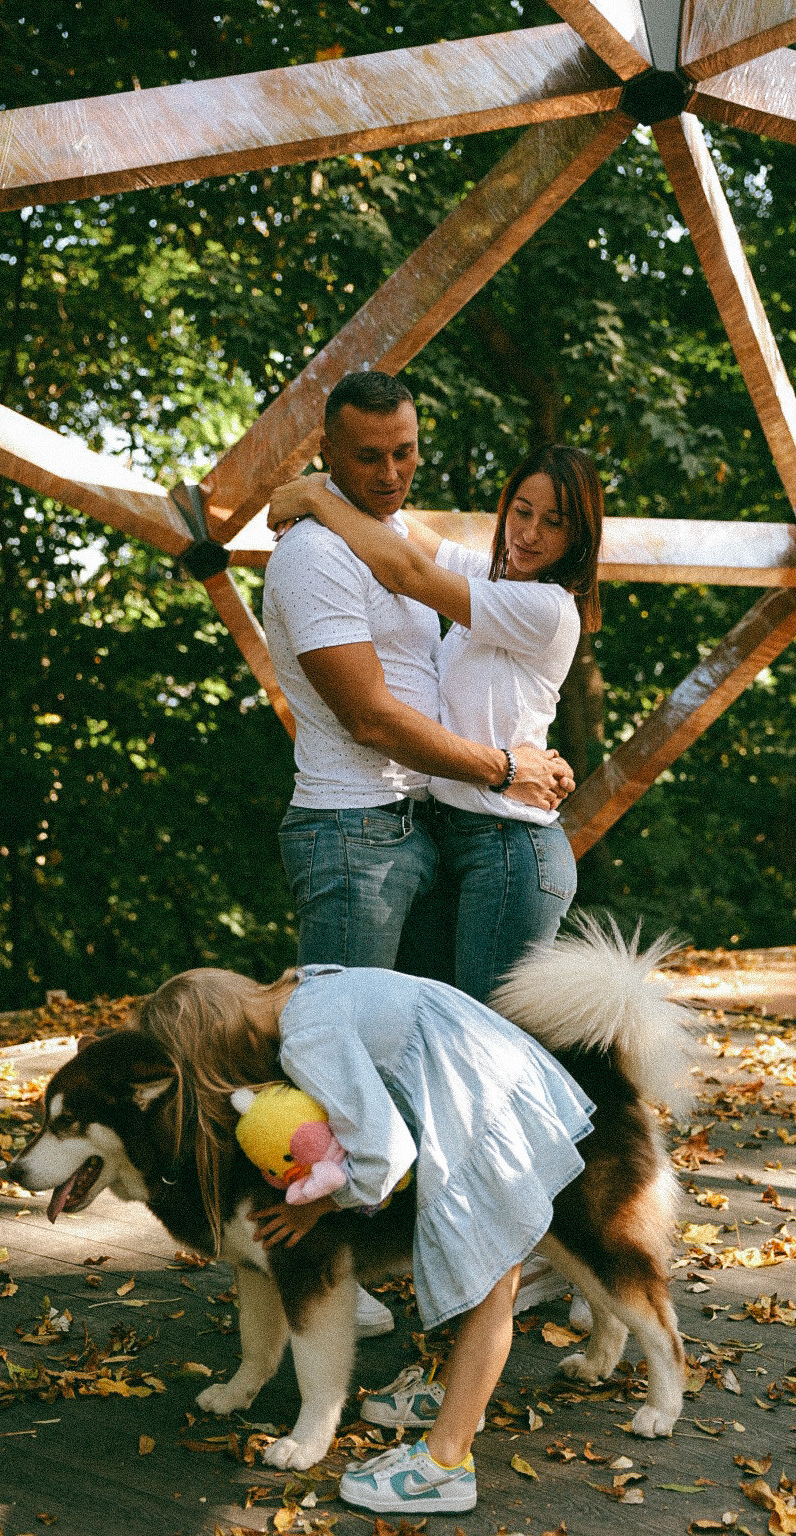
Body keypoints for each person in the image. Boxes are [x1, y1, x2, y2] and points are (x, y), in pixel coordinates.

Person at [261, 372, 573, 1339]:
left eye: (406, 453)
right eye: (367, 457)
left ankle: (521, 1255)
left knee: (470, 1072)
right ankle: (330, 1272)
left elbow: (409, 567)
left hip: (454, 843)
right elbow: (367, 712)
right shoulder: (321, 558)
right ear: (330, 447)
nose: (393, 474)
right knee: (337, 1069)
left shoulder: (533, 603)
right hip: (361, 835)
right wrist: (501, 765)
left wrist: (316, 491)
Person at [143, 961, 594, 1513]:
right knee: (493, 1276)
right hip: (492, 1078)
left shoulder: (307, 1038)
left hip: (480, 1105)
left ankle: (446, 1462)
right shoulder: (305, 989)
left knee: (489, 1280)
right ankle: (458, 1404)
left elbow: (384, 1153)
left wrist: (321, 1205)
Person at [267, 441, 602, 1005]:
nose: (530, 534)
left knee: (487, 1037)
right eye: (522, 511)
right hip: (454, 837)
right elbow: (403, 534)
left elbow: (403, 570)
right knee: (443, 1027)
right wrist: (331, 486)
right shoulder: (496, 580)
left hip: (509, 846)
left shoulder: (544, 608)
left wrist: (312, 497)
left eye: (554, 522)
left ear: (579, 536)